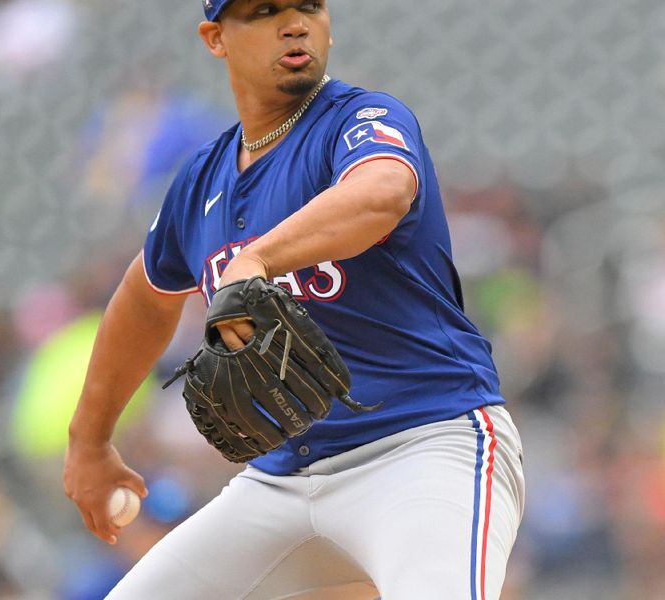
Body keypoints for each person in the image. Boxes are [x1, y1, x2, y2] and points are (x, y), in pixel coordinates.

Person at [63, 1, 525, 598]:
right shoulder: (201, 180)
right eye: (264, 10)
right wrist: (90, 439)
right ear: (215, 38)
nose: (294, 22)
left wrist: (256, 258)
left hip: (425, 445)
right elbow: (145, 297)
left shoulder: (360, 118)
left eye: (308, 5)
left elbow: (383, 191)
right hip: (281, 479)